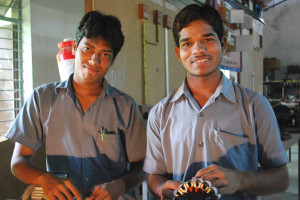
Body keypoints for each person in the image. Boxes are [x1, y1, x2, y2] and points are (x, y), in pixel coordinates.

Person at [143, 4, 289, 200]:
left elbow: (281, 178)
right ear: (179, 54)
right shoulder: (160, 113)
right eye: (187, 43)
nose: (198, 50)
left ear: (223, 44)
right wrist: (162, 187)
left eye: (207, 39)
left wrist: (240, 180)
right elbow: (154, 174)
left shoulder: (255, 106)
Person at [6, 11, 146, 200]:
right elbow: (18, 162)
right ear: (74, 47)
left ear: (112, 60)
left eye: (104, 54)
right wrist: (44, 178)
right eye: (87, 49)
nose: (94, 61)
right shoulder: (42, 98)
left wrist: (119, 186)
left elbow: (142, 167)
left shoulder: (126, 107)